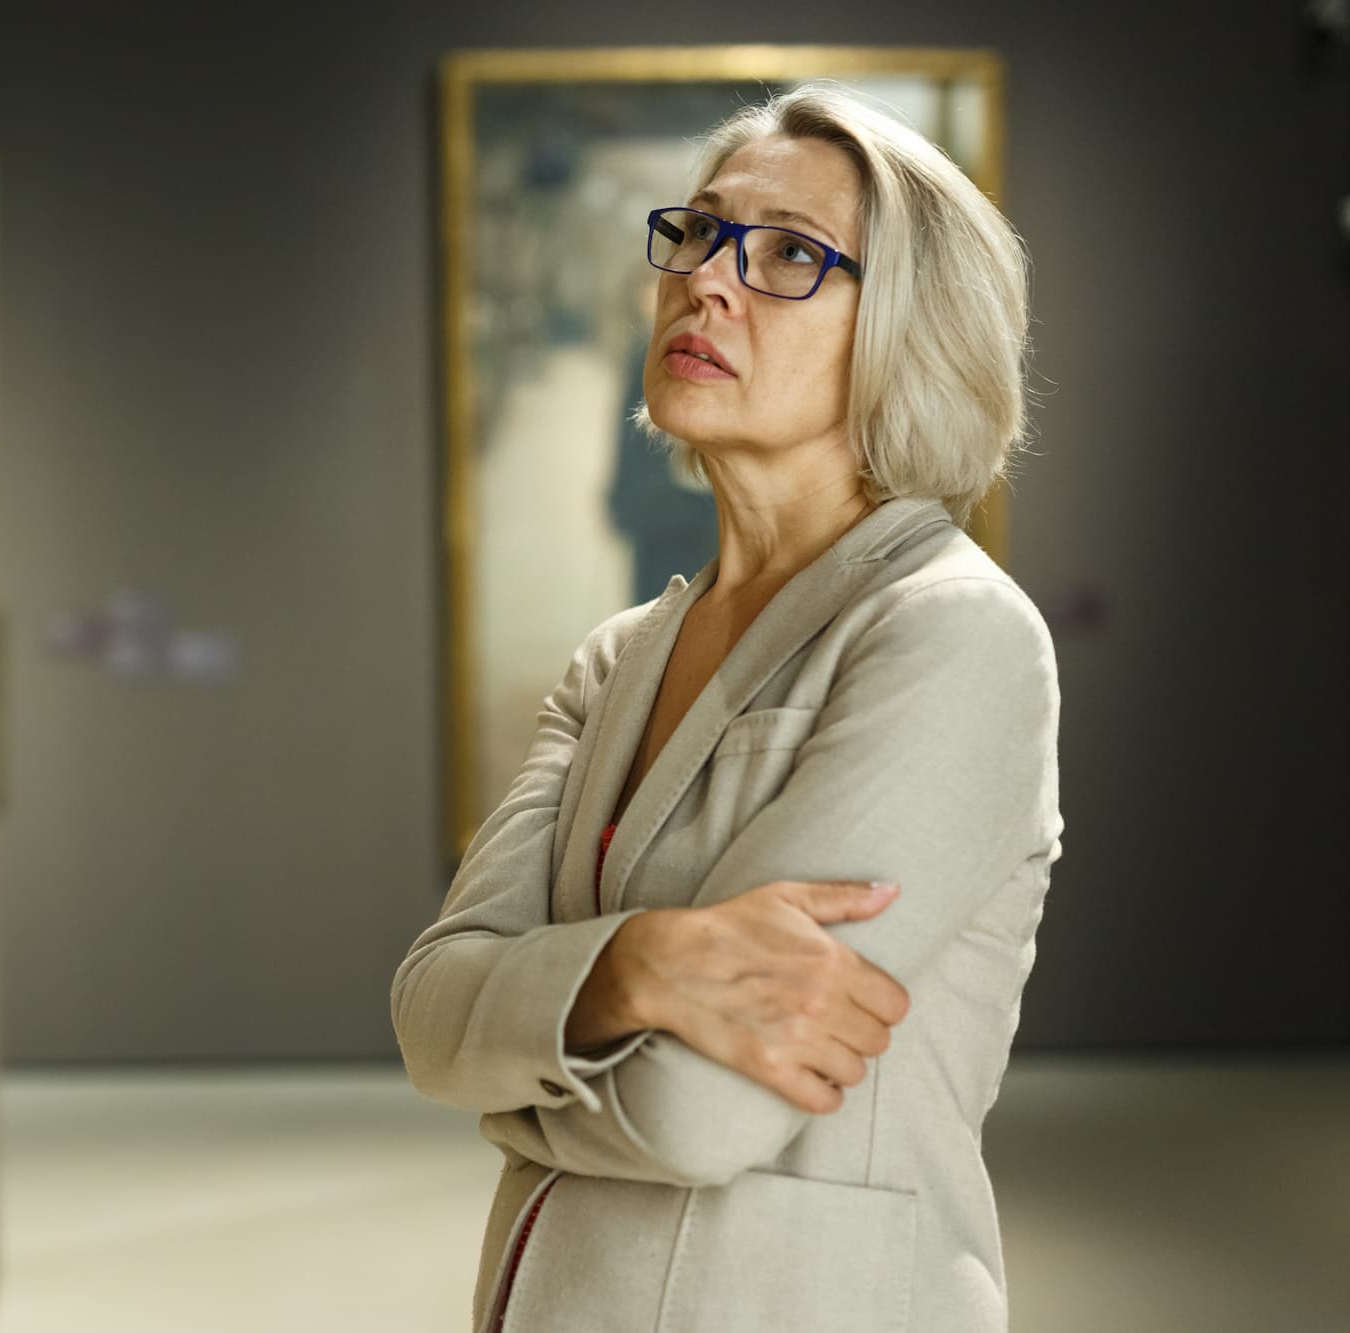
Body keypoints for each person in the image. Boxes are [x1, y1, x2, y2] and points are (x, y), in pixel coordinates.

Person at [390, 82, 1062, 1333]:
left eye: (790, 255)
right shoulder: (616, 660)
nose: (705, 279)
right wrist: (634, 965)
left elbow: (696, 1111)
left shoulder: (952, 634)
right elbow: (428, 1013)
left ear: (908, 328)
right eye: (699, 232)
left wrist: (518, 1060)